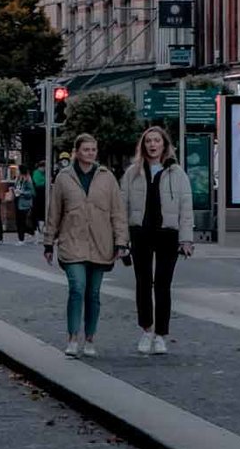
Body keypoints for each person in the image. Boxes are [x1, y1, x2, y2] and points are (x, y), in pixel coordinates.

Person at [43, 132, 128, 358]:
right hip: (72, 243)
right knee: (77, 288)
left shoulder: (107, 177)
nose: (90, 153)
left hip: (101, 244)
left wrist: (121, 241)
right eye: (86, 149)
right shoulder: (64, 178)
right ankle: (72, 337)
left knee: (93, 293)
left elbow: (118, 213)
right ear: (77, 152)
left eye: (93, 150)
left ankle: (90, 339)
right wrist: (48, 242)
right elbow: (54, 212)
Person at [122, 123, 194, 354]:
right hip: (140, 233)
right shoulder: (132, 173)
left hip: (167, 233)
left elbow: (186, 207)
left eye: (157, 141)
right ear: (143, 145)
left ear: (164, 145)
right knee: (143, 283)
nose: (153, 145)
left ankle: (161, 334)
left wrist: (187, 239)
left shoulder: (177, 173)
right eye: (149, 141)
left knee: (163, 284)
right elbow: (122, 208)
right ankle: (146, 330)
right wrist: (122, 240)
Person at [11, 164, 35, 242]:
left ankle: (22, 238)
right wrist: (13, 189)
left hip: (24, 202)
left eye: (17, 170)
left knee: (22, 221)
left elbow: (31, 192)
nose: (16, 171)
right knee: (18, 221)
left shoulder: (27, 180)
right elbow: (16, 187)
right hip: (17, 201)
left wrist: (22, 192)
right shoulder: (17, 179)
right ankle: (25, 235)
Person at [31, 159, 47, 236]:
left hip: (42, 195)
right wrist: (46, 182)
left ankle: (40, 227)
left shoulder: (43, 174)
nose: (44, 169)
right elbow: (38, 183)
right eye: (44, 168)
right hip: (38, 195)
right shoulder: (36, 173)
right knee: (38, 212)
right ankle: (37, 228)